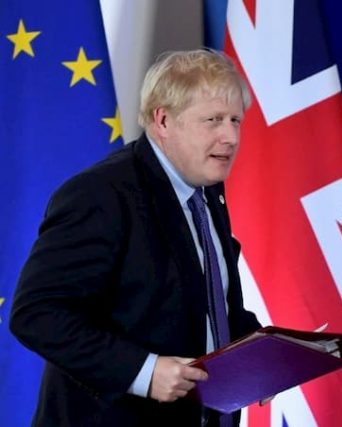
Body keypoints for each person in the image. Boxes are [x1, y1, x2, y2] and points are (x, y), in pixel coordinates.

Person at [10, 49, 261, 426]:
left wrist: (258, 354)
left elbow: (205, 304)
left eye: (235, 120)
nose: (230, 137)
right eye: (213, 120)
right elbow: (37, 314)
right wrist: (143, 373)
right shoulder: (100, 195)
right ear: (162, 120)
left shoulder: (207, 192)